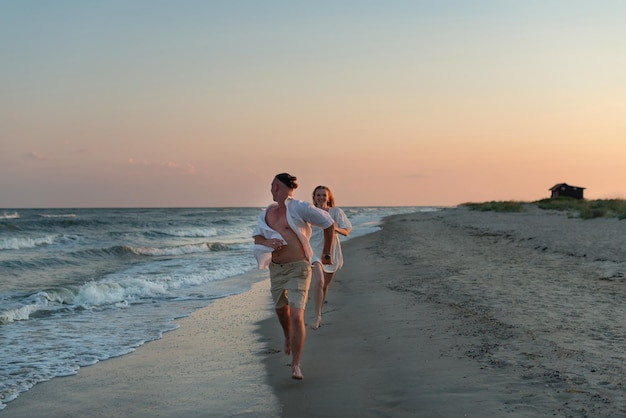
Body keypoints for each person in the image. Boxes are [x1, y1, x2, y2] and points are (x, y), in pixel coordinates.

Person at [252, 173, 335, 380]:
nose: (271, 190)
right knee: (281, 310)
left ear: (277, 186)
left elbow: (328, 223)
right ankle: (287, 336)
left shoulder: (299, 207)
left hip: (299, 268)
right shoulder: (268, 212)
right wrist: (268, 242)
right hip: (277, 269)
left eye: (272, 186)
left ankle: (296, 364)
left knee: (297, 316)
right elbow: (257, 237)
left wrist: (326, 252)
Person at [309, 185, 352, 330]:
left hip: (331, 251)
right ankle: (317, 316)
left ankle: (319, 311)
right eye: (318, 195)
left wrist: (334, 228)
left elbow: (346, 231)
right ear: (314, 198)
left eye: (323, 195)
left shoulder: (336, 212)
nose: (321, 197)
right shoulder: (310, 212)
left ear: (328, 197)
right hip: (313, 249)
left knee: (325, 285)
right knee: (319, 282)